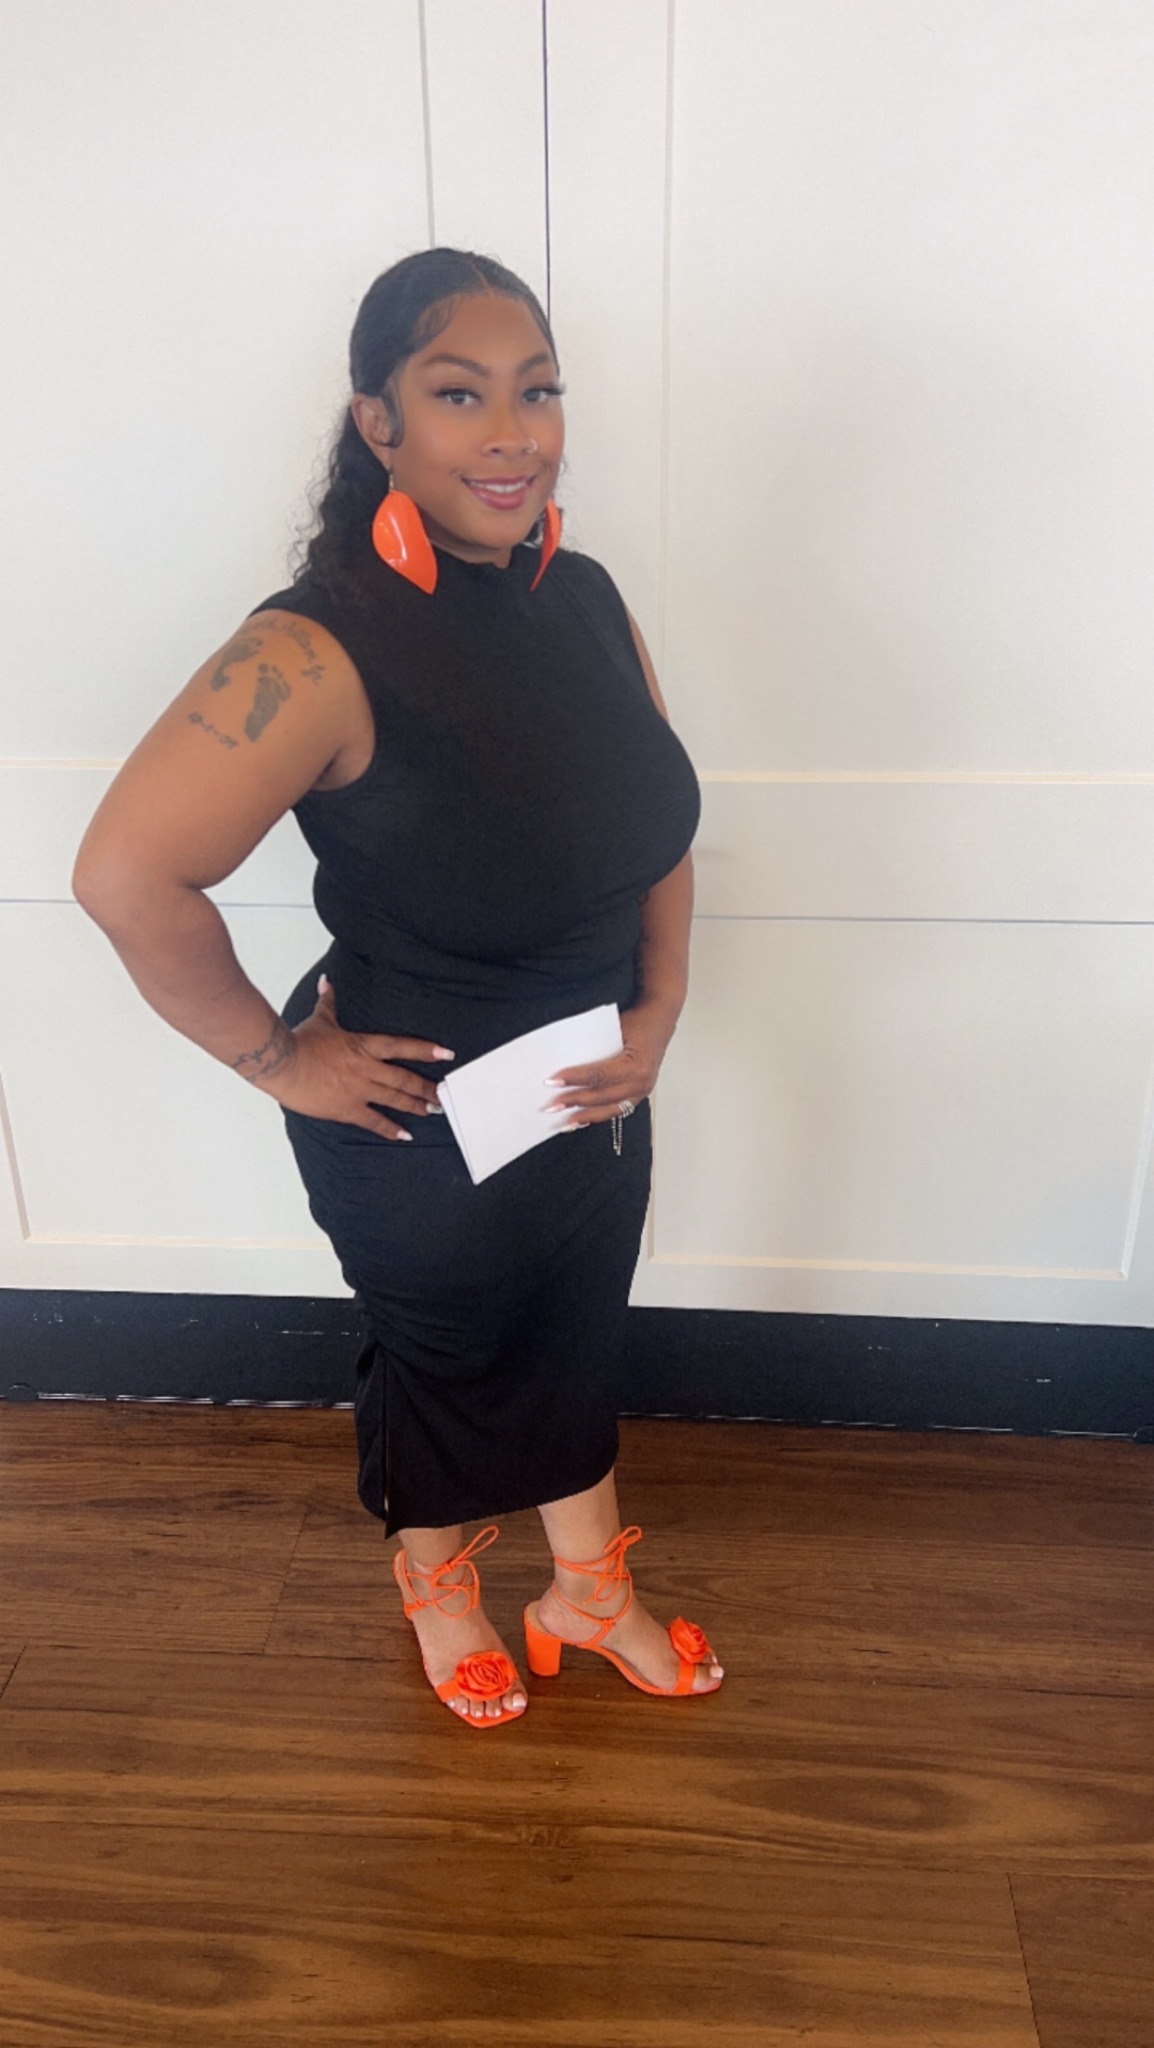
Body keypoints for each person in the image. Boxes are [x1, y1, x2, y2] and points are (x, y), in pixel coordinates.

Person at [74, 247, 725, 1729]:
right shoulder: (315, 645)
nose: (513, 433)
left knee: (574, 1329)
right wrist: (275, 1057)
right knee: (450, 1357)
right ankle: (438, 1589)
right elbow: (125, 875)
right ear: (379, 422)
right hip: (413, 1113)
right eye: (458, 394)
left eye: (537, 392)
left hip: (591, 1085)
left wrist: (662, 1007)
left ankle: (587, 1591)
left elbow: (657, 825)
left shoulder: (587, 598)